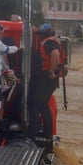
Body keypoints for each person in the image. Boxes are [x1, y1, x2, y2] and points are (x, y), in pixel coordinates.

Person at [27, 23, 61, 151]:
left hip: (47, 79)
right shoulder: (49, 41)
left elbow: (56, 55)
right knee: (43, 103)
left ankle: (39, 131)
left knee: (38, 103)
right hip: (45, 79)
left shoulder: (49, 43)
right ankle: (45, 131)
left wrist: (51, 71)